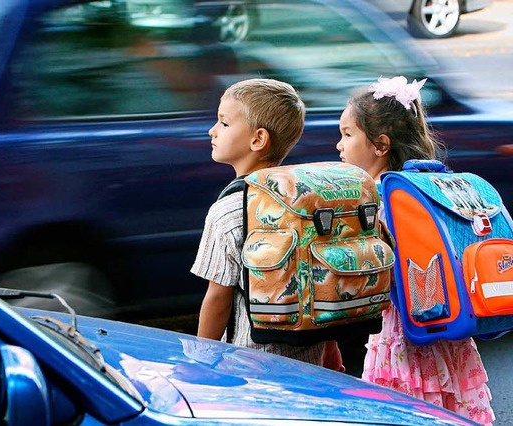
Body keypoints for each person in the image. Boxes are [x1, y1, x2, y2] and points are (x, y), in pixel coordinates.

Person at [336, 75, 495, 425]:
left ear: (380, 144)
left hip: (403, 334)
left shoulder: (376, 200)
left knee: (406, 410)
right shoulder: (430, 185)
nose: (339, 145)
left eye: (347, 134)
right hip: (447, 328)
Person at [191, 78, 343, 371]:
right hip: (308, 361)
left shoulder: (230, 211)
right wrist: (331, 346)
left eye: (224, 123)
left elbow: (218, 299)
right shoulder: (309, 203)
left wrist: (199, 361)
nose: (212, 130)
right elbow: (322, 283)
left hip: (247, 365)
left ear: (258, 139)